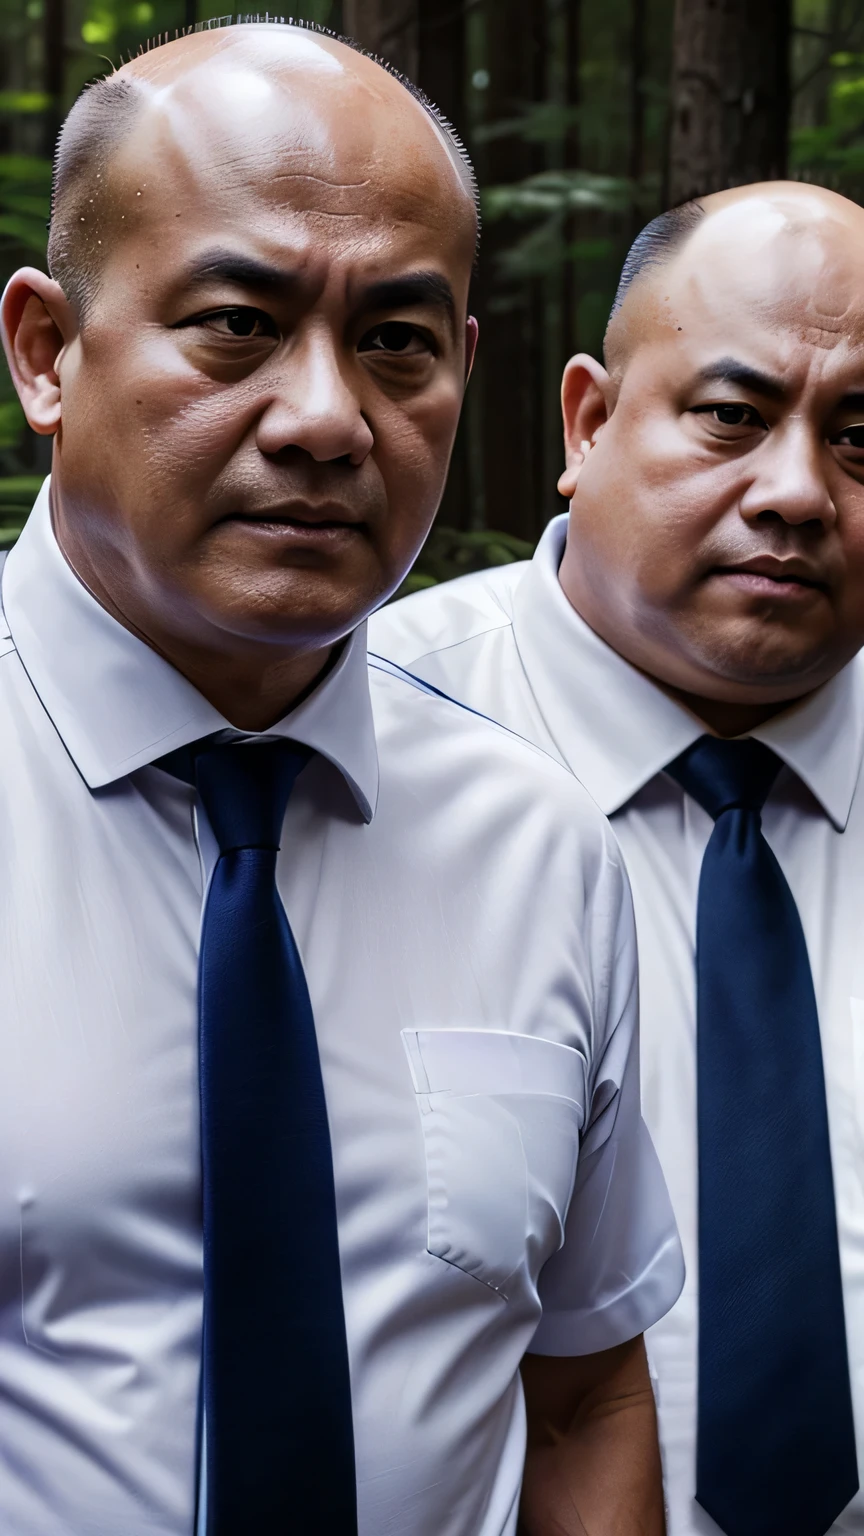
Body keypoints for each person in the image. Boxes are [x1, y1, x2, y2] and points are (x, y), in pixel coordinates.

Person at [0, 19, 683, 1536]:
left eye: (395, 341)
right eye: (238, 321)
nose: (326, 418)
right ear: (50, 352)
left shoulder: (538, 849)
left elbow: (581, 1392)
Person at [372, 181, 864, 1536]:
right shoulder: (351, 748)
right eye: (732, 415)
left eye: (861, 438)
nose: (796, 493)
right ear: (587, 422)